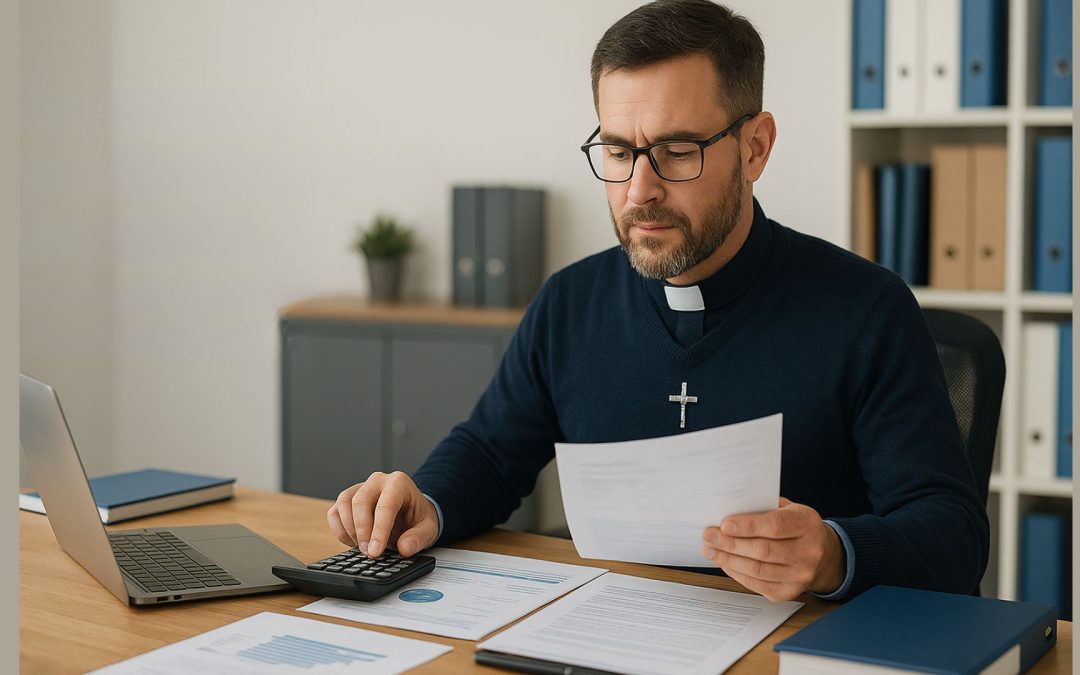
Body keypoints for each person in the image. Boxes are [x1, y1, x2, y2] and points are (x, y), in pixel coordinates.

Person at [327, 0, 989, 602]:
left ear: (754, 147)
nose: (639, 189)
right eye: (618, 150)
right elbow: (492, 454)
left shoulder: (866, 309)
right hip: (607, 634)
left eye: (677, 151)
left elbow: (953, 534)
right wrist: (427, 500)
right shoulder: (569, 302)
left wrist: (833, 555)